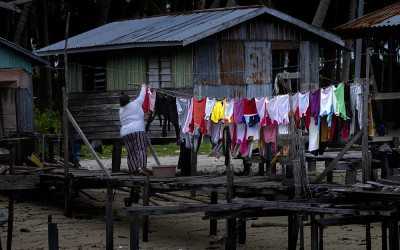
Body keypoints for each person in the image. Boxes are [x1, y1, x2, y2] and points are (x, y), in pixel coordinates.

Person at [119, 83, 150, 176]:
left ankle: (133, 171)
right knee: (141, 149)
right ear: (129, 100)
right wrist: (144, 86)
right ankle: (143, 168)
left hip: (125, 133)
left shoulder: (121, 110)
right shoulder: (136, 103)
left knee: (131, 152)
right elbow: (142, 95)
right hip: (137, 130)